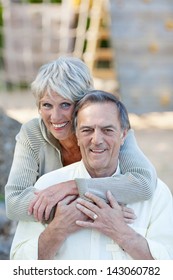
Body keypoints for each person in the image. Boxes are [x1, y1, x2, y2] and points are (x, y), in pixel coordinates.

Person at [10, 91, 173, 260]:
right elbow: (18, 266)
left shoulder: (156, 193)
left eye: (107, 130)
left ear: (123, 134)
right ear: (77, 136)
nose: (96, 140)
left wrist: (122, 233)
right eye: (87, 130)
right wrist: (57, 229)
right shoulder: (48, 186)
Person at [5, 56, 156, 223]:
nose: (55, 117)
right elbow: (14, 203)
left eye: (65, 104)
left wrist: (73, 187)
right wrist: (97, 210)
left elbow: (143, 184)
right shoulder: (32, 133)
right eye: (47, 105)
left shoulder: (111, 132)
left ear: (83, 104)